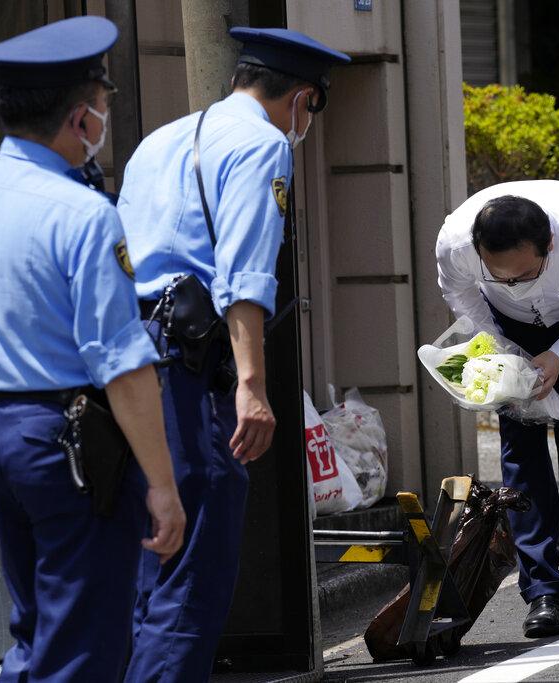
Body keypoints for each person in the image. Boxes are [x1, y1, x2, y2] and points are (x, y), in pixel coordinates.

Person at [0, 17, 185, 681]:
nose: (106, 115)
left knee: (36, 628)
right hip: (73, 441)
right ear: (80, 118)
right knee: (85, 639)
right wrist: (163, 483)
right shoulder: (85, 214)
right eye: (104, 100)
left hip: (0, 433)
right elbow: (122, 365)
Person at [116, 27, 349, 682]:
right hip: (184, 372)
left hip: (124, 361)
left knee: (148, 556)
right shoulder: (262, 144)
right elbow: (243, 274)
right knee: (194, 559)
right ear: (303, 100)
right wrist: (252, 383)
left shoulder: (159, 142)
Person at [435, 179, 559, 638]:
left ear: (549, 245)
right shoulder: (454, 241)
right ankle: (542, 592)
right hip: (505, 327)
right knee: (520, 450)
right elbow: (461, 295)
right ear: (477, 249)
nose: (513, 284)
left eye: (524, 275)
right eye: (499, 276)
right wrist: (503, 348)